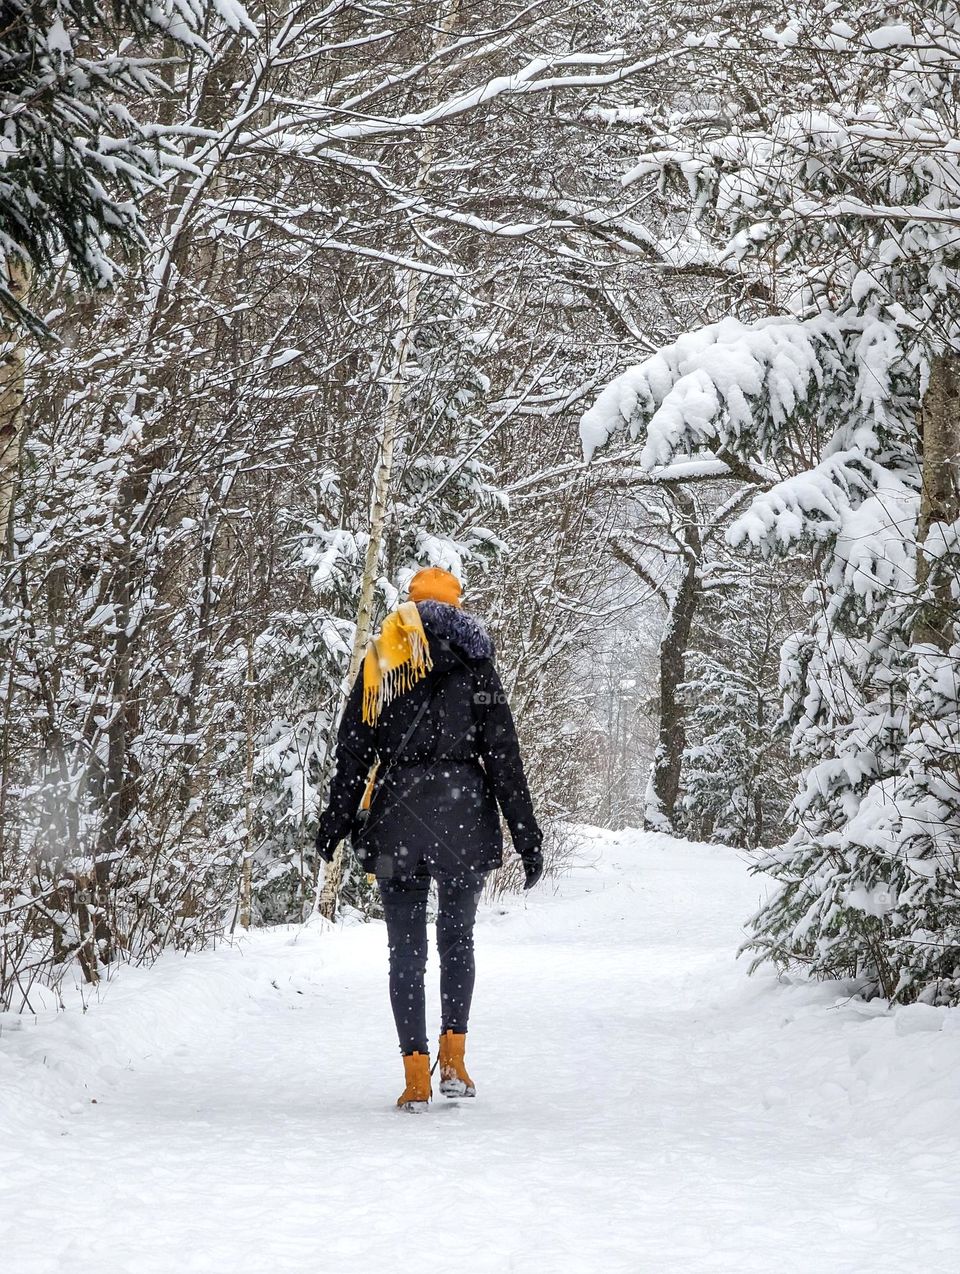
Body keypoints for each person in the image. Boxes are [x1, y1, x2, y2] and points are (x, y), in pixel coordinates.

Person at [315, 566, 543, 1111]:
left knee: (406, 950)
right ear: (458, 608)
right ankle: (456, 1064)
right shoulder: (478, 664)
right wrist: (526, 834)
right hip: (464, 820)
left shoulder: (382, 659)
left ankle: (416, 1077)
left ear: (408, 605)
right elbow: (504, 757)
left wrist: (336, 822)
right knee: (457, 939)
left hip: (396, 821)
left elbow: (354, 752)